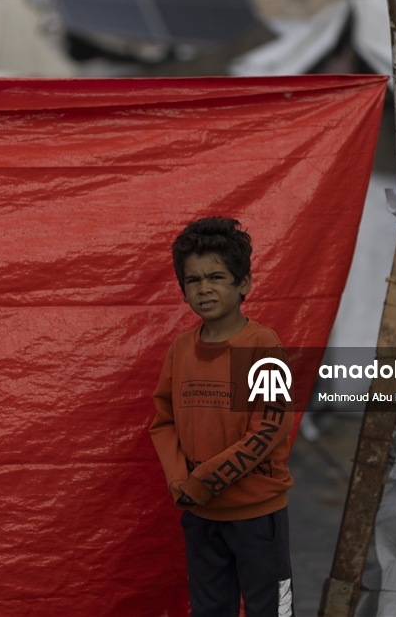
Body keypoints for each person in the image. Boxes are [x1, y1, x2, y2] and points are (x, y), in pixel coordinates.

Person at [150, 217, 295, 617]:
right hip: (200, 515)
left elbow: (268, 427)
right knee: (209, 610)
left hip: (257, 515)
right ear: (182, 290)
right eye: (193, 280)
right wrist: (182, 482)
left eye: (216, 276)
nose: (204, 288)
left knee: (273, 611)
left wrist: (205, 480)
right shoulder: (181, 349)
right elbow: (163, 422)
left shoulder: (260, 345)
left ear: (243, 284)